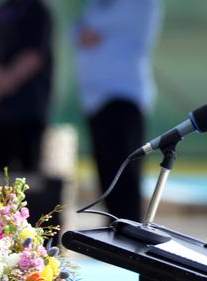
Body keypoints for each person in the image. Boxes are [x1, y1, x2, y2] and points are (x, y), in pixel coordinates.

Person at [73, 0, 162, 222]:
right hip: (96, 101)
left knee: (125, 183)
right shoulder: (100, 4)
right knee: (108, 181)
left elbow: (93, 29)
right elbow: (77, 33)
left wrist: (87, 31)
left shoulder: (140, 4)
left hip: (123, 98)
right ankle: (114, 241)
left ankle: (130, 246)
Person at [0, 0, 53, 175]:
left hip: (28, 113)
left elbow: (35, 56)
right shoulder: (2, 10)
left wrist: (2, 84)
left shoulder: (38, 10)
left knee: (27, 182)